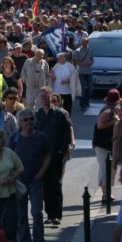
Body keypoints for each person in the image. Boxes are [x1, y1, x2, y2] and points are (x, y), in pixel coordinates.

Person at [12, 108, 50, 242]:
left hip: (35, 180)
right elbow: (9, 157)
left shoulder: (41, 137)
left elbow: (47, 156)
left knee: (36, 213)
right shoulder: (14, 138)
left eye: (31, 119)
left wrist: (41, 173)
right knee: (21, 215)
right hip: (20, 181)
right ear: (20, 123)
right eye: (26, 120)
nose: (29, 122)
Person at [34, 86, 72, 226]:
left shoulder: (59, 115)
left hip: (56, 156)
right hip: (41, 158)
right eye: (42, 96)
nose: (44, 98)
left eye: (46, 95)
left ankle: (57, 215)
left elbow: (66, 134)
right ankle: (49, 214)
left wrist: (62, 151)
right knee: (44, 186)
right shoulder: (36, 115)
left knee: (55, 185)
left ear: (51, 97)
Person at [93, 90, 120, 203]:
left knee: (105, 168)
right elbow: (99, 125)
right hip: (102, 145)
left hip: (102, 145)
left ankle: (105, 193)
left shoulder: (109, 110)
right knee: (107, 169)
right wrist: (113, 121)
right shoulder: (107, 111)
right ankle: (106, 195)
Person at [73, 36, 94, 110]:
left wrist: (90, 63)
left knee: (90, 88)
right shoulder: (77, 51)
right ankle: (82, 103)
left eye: (85, 42)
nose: (84, 43)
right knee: (83, 89)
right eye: (83, 42)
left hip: (89, 72)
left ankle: (86, 100)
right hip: (81, 72)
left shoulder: (90, 50)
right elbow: (75, 61)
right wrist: (81, 64)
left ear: (87, 42)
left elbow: (92, 60)